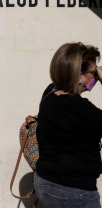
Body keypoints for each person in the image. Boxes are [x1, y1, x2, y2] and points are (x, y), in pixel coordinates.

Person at [34, 42, 102, 208]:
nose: (96, 77)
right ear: (78, 75)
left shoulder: (50, 92)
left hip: (46, 182)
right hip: (73, 192)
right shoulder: (76, 107)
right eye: (94, 72)